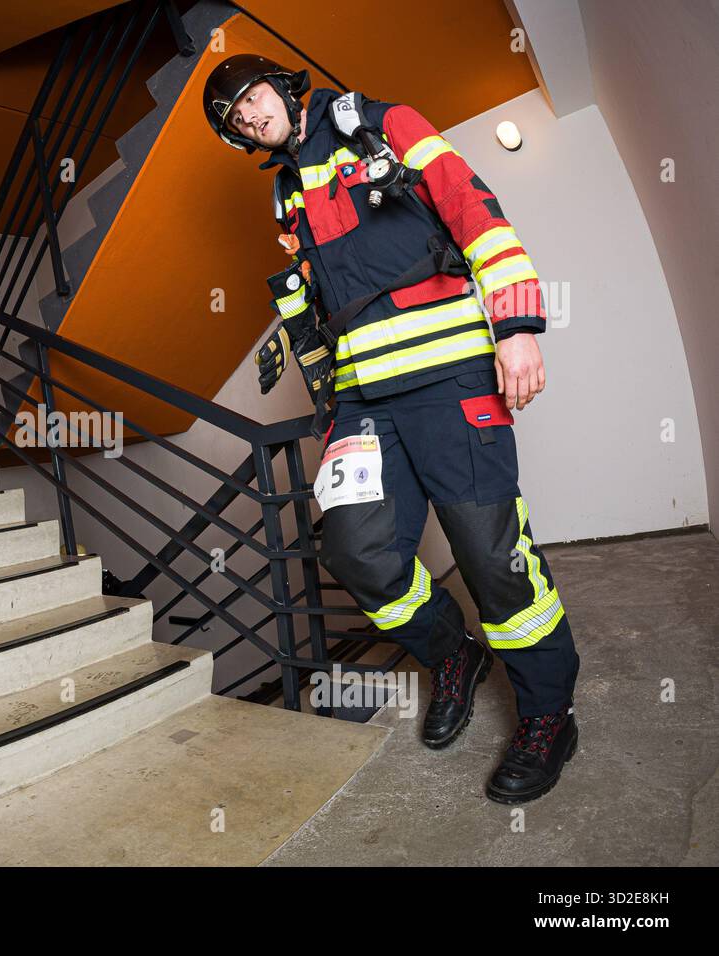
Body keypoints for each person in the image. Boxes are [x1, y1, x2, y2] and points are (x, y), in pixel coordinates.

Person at [203, 54, 580, 803]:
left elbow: (472, 204)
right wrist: (332, 408)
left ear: (281, 87)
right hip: (366, 400)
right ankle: (453, 656)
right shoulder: (285, 195)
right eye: (233, 121)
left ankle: (547, 714)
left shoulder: (379, 123)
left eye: (249, 99)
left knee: (492, 559)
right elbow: (314, 314)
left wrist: (517, 324)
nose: (247, 118)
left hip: (451, 381)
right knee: (356, 548)